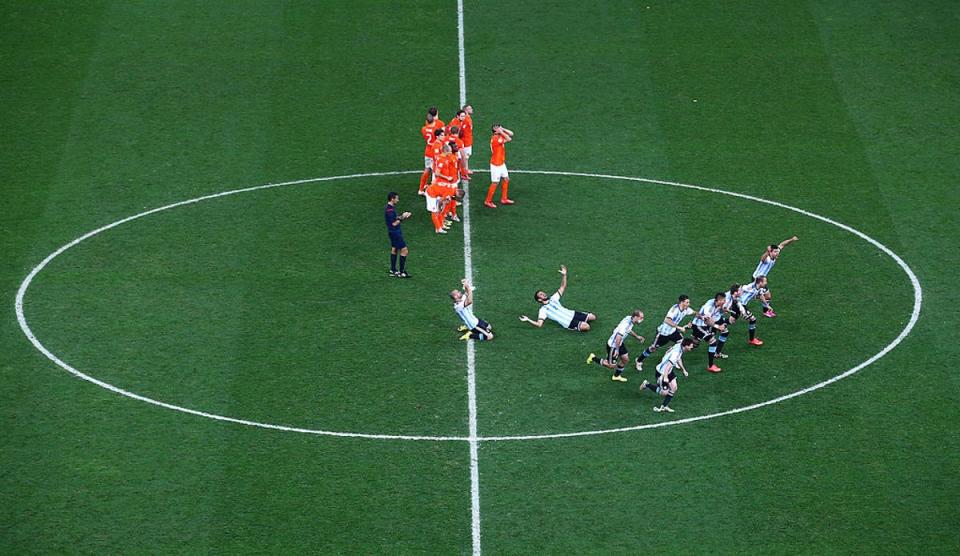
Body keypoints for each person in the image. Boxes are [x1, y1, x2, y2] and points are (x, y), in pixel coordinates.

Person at [519, 265, 597, 331]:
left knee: (593, 317)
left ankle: (583, 318)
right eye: (541, 294)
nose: (543, 294)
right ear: (539, 299)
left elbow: (563, 287)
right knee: (587, 327)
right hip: (568, 322)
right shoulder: (543, 310)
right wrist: (528, 319)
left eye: (543, 293)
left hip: (572, 314)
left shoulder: (553, 298)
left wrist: (564, 275)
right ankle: (581, 323)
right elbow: (539, 324)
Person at [634, 294, 695, 371]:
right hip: (663, 333)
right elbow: (667, 320)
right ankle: (639, 361)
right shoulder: (674, 310)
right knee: (653, 348)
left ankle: (673, 357)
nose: (689, 304)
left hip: (672, 332)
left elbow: (694, 312)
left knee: (681, 343)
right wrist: (679, 327)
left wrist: (702, 316)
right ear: (682, 302)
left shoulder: (686, 309)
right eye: (687, 302)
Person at [639, 338, 696, 413]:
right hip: (662, 372)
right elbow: (668, 365)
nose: (692, 347)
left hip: (669, 371)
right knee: (664, 393)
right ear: (685, 346)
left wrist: (683, 370)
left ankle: (664, 406)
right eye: (691, 346)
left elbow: (678, 359)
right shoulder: (676, 353)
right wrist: (665, 377)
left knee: (674, 387)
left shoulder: (680, 347)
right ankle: (647, 384)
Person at [587, 310, 645, 382]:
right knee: (611, 366)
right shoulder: (625, 324)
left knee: (625, 360)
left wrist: (637, 336)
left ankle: (616, 376)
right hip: (613, 346)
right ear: (636, 317)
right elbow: (618, 337)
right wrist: (617, 350)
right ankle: (593, 358)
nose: (642, 319)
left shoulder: (630, 319)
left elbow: (628, 330)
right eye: (641, 318)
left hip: (619, 343)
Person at [752, 236, 799, 317]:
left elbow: (782, 244)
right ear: (771, 252)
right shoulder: (767, 259)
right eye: (775, 252)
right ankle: (763, 307)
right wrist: (767, 251)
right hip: (757, 279)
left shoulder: (775, 254)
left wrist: (792, 239)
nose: (777, 253)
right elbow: (762, 259)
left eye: (777, 251)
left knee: (766, 296)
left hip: (762, 279)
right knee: (767, 296)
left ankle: (763, 307)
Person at [691, 292, 728, 373]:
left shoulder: (717, 304)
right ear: (719, 300)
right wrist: (718, 327)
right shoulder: (709, 307)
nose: (725, 301)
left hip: (705, 325)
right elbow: (707, 320)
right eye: (724, 300)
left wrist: (722, 309)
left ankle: (717, 353)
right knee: (713, 342)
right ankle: (710, 366)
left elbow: (715, 314)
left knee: (694, 343)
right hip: (699, 326)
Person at [484, 123, 514, 208]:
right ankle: (487, 201)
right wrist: (501, 131)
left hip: (501, 163)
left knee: (506, 179)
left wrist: (503, 129)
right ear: (496, 131)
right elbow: (509, 139)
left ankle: (504, 198)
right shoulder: (495, 138)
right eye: (499, 128)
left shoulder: (500, 136)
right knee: (495, 183)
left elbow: (511, 134)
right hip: (496, 164)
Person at [384, 192, 412, 278]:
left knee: (394, 249)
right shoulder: (390, 210)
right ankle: (402, 272)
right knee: (404, 251)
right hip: (395, 232)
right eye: (397, 198)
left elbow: (394, 219)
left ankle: (393, 270)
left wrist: (401, 216)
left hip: (393, 232)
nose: (398, 200)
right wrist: (404, 217)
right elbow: (394, 223)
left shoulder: (389, 208)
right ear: (392, 199)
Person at [419, 107, 444, 195]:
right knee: (436, 171)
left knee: (427, 170)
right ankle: (434, 191)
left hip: (428, 150)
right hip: (436, 151)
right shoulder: (438, 126)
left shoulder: (424, 128)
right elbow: (442, 134)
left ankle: (421, 189)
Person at [455, 105, 474, 177]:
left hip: (468, 140)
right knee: (464, 157)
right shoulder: (465, 119)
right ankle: (463, 170)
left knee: (466, 157)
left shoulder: (468, 118)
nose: (471, 109)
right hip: (465, 141)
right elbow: (460, 130)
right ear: (466, 110)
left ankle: (465, 169)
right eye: (470, 109)